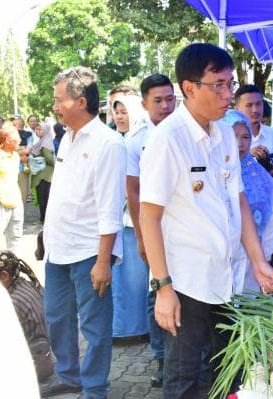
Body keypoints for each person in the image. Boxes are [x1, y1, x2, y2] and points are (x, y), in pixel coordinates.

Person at [139, 43, 273, 398]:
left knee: (226, 370)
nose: (226, 94)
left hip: (227, 278)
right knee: (183, 376)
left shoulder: (225, 136)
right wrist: (163, 288)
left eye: (229, 84)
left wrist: (259, 261)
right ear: (190, 88)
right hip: (187, 282)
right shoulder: (168, 139)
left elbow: (239, 202)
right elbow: (149, 216)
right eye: (217, 85)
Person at [40, 66, 126, 399]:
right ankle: (69, 376)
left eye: (59, 99)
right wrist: (44, 235)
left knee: (95, 327)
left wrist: (103, 261)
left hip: (90, 252)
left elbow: (109, 209)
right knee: (57, 319)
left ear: (80, 100)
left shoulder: (108, 144)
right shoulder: (67, 139)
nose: (55, 106)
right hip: (58, 249)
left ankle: (94, 388)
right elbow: (63, 194)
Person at [124, 73, 177, 388]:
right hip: (152, 228)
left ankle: (180, 357)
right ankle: (161, 359)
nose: (165, 106)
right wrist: (142, 238)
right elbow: (133, 190)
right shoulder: (136, 140)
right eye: (158, 100)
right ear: (144, 104)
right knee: (156, 291)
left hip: (182, 230)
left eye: (170, 98)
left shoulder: (185, 130)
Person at [223, 110, 273, 292]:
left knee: (246, 314)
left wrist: (265, 258)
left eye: (245, 137)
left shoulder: (261, 178)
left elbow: (272, 219)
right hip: (217, 263)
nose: (239, 144)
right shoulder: (211, 171)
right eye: (233, 136)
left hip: (252, 264)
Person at [110, 94, 149, 342]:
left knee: (136, 278)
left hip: (137, 216)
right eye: (117, 112)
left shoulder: (143, 137)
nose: (120, 116)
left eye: (125, 111)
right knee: (121, 278)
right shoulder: (116, 138)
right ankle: (123, 328)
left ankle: (138, 328)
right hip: (117, 218)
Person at [0, 250, 53, 382]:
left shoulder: (11, 303)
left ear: (4, 276)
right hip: (41, 355)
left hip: (31, 365)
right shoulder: (26, 284)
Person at [234, 84, 273, 182]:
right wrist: (246, 156)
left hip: (271, 196)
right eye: (249, 105)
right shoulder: (227, 138)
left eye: (258, 104)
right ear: (237, 109)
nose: (255, 110)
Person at [0, 123, 23, 254]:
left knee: (15, 237)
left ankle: (12, 267)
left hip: (16, 202)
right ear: (7, 139)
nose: (20, 140)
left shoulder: (16, 156)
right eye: (17, 137)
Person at [29, 120, 55, 224]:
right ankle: (44, 219)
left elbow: (49, 159)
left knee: (43, 198)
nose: (37, 131)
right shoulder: (41, 141)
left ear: (45, 131)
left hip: (44, 175)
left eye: (40, 129)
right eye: (36, 129)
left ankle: (43, 219)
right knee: (43, 198)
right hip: (42, 174)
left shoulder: (45, 143)